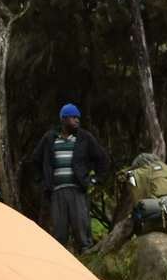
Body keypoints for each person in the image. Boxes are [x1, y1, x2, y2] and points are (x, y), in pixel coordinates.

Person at [31, 103, 110, 253]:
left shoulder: (84, 137)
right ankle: (62, 260)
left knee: (81, 227)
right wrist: (42, 181)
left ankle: (86, 257)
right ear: (64, 119)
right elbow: (35, 159)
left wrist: (95, 180)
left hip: (78, 190)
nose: (77, 121)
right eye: (73, 118)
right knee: (59, 231)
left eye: (78, 118)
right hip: (56, 191)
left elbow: (103, 159)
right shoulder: (50, 138)